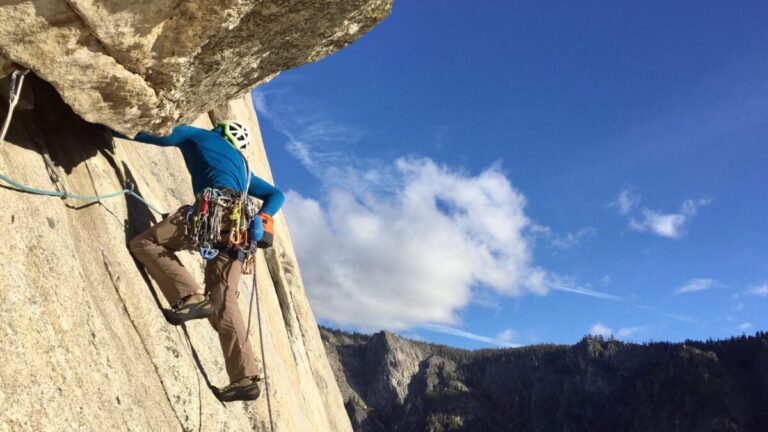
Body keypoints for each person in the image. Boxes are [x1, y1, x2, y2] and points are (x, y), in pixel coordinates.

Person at [127, 120, 284, 402]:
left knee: (145, 243)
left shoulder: (200, 136)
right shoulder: (245, 172)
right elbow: (276, 194)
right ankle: (244, 378)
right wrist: (262, 217)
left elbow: (163, 137)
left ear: (219, 132)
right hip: (239, 232)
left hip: (213, 213)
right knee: (224, 301)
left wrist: (112, 128)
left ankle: (188, 295)